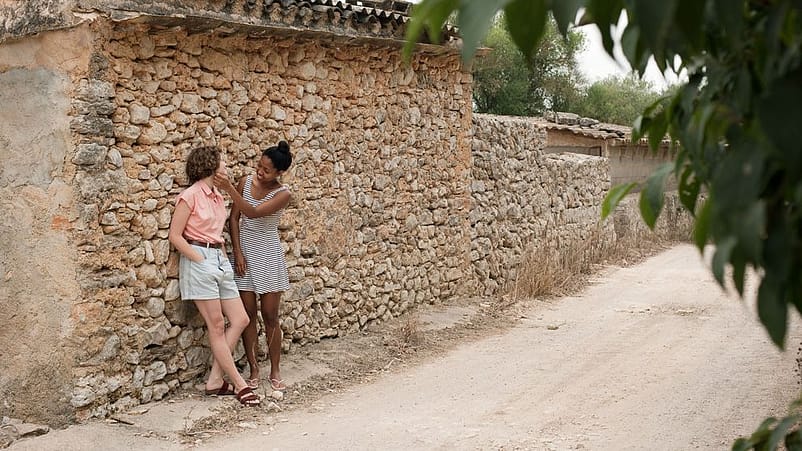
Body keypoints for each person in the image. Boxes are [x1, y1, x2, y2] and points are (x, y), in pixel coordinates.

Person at [167, 145, 260, 407]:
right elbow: (175, 235)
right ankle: (240, 385)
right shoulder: (190, 196)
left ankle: (215, 380)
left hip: (218, 257)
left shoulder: (218, 196)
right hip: (199, 258)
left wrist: (220, 258)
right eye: (222, 162)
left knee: (240, 319)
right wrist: (200, 260)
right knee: (217, 325)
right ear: (210, 165)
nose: (226, 166)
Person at [214, 140, 293, 392]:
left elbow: (253, 212)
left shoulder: (283, 194)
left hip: (268, 254)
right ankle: (254, 369)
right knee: (247, 315)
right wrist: (237, 252)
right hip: (245, 253)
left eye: (266, 170)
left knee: (270, 315)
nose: (260, 172)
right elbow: (234, 219)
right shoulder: (245, 182)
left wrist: (228, 187)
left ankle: (275, 369)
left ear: (279, 172)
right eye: (259, 166)